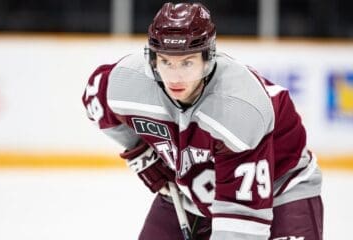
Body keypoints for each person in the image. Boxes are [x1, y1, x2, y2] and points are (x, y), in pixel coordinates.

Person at [82, 2, 323, 240]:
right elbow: (96, 102)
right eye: (166, 61)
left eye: (187, 62)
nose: (175, 77)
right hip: (189, 192)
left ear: (208, 58)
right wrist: (140, 152)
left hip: (280, 189)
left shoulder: (239, 109)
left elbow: (242, 220)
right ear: (152, 59)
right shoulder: (129, 80)